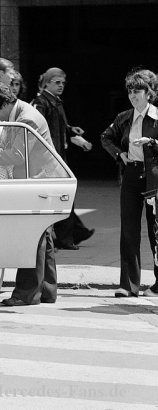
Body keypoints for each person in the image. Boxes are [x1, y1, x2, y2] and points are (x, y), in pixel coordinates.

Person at [0, 82, 57, 306]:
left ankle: (26, 294)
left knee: (31, 236)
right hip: (38, 180)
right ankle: (46, 290)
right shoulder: (17, 115)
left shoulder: (26, 119)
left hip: (37, 182)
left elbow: (17, 156)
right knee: (43, 236)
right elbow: (7, 149)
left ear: (5, 105)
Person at [101, 68, 158, 298]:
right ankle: (128, 285)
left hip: (154, 175)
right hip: (132, 174)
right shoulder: (124, 117)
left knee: (156, 231)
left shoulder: (156, 117)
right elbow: (105, 137)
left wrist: (151, 142)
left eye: (137, 91)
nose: (133, 96)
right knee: (129, 230)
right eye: (130, 92)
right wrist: (119, 154)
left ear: (148, 93)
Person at [31, 67, 94, 250]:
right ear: (46, 83)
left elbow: (58, 126)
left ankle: (74, 233)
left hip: (58, 156)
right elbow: (38, 129)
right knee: (63, 196)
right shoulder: (42, 103)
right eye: (57, 82)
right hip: (50, 159)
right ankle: (66, 237)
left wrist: (71, 131)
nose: (61, 86)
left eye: (63, 83)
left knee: (65, 195)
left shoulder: (55, 102)